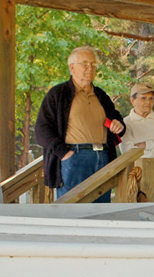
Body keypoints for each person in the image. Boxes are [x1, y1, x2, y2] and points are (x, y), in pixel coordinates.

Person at [35, 46, 125, 203]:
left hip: (103, 157)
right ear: (72, 68)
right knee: (72, 213)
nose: (89, 68)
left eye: (93, 64)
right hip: (74, 158)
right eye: (84, 64)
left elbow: (117, 120)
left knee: (101, 212)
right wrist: (64, 154)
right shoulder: (58, 94)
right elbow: (42, 130)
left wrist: (119, 125)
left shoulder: (101, 95)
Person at [119, 83, 154, 202]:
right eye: (143, 98)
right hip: (139, 180)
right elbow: (129, 153)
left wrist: (146, 145)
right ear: (132, 100)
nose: (148, 102)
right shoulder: (125, 123)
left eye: (151, 99)